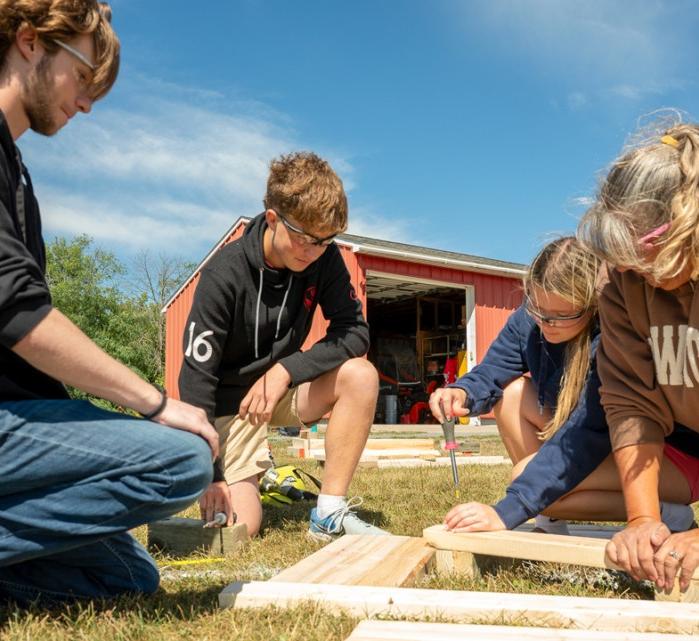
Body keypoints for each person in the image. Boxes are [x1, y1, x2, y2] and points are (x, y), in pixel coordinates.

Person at [0, 1, 218, 605]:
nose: (89, 102)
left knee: (126, 578)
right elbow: (18, 316)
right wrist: (153, 404)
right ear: (29, 42)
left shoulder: (16, 173)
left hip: (17, 414)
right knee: (181, 459)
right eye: (84, 75)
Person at [179, 151, 385, 540]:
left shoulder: (323, 259)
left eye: (325, 241)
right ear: (273, 218)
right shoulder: (223, 274)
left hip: (282, 392)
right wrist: (211, 473)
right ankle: (249, 477)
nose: (313, 252)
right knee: (242, 528)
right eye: (304, 239)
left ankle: (327, 514)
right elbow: (195, 381)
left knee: (360, 375)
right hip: (229, 407)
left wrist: (286, 370)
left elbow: (354, 332)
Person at [429, 237, 695, 536]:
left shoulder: (612, 334)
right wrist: (463, 392)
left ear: (591, 306)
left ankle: (667, 513)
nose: (546, 323)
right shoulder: (529, 319)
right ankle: (550, 514)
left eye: (561, 316)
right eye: (538, 310)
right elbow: (493, 369)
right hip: (597, 440)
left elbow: (588, 432)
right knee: (512, 394)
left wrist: (509, 509)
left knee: (525, 477)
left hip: (664, 453)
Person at [578, 122, 699, 594]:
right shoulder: (623, 281)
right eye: (623, 262)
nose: (634, 274)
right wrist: (642, 519)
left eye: (642, 259)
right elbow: (632, 404)